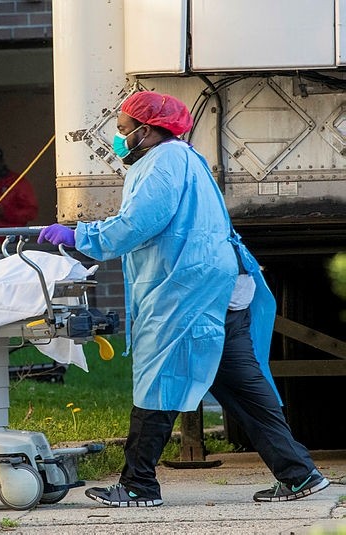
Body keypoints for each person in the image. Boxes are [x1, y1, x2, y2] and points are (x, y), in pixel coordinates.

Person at [38, 91, 329, 507]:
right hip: (217, 286)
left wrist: (81, 235)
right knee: (243, 387)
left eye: (123, 131)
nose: (119, 139)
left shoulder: (164, 162)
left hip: (188, 291)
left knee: (160, 379)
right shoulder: (185, 158)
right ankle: (299, 474)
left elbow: (140, 222)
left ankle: (138, 485)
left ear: (147, 129)